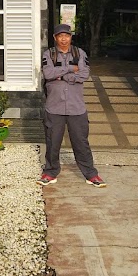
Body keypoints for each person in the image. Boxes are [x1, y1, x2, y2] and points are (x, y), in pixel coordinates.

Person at [38, 24, 106, 187]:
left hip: (76, 107)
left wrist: (63, 76)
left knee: (81, 141)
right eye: (60, 36)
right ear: (55, 38)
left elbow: (84, 74)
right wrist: (70, 68)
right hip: (54, 106)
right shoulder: (49, 54)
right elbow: (48, 73)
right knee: (53, 141)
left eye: (66, 36)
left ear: (70, 37)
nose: (64, 39)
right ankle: (50, 172)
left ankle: (91, 174)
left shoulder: (79, 53)